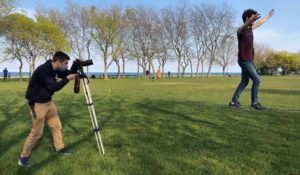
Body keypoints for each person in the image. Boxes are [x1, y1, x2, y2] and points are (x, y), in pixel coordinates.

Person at [18, 51, 78, 167]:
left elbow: (68, 73)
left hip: (48, 102)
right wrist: (67, 79)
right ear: (58, 62)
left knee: (56, 126)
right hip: (37, 104)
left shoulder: (55, 69)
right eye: (65, 64)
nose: (66, 66)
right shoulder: (43, 70)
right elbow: (53, 87)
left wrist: (75, 65)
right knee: (37, 133)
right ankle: (23, 157)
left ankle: (59, 148)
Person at [229, 9, 274, 110]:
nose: (254, 19)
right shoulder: (241, 30)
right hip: (245, 60)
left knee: (244, 82)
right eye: (252, 17)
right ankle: (254, 103)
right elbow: (242, 28)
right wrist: (249, 22)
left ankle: (233, 102)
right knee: (257, 81)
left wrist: (268, 16)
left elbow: (259, 23)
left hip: (248, 60)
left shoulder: (250, 28)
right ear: (247, 18)